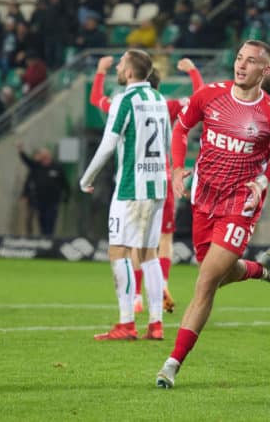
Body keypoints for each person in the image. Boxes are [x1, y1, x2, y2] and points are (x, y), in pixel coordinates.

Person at [155, 40, 270, 389]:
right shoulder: (209, 96)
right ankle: (263, 270)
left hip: (240, 205)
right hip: (204, 198)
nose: (241, 65)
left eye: (250, 62)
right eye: (238, 58)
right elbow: (181, 128)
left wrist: (264, 180)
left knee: (205, 282)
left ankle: (172, 364)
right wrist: (175, 169)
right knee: (215, 272)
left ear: (266, 70)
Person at [89, 54, 205, 315]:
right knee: (162, 240)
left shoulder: (125, 104)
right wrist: (193, 70)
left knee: (130, 244)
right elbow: (199, 97)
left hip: (135, 182)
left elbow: (96, 99)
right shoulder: (166, 104)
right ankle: (161, 285)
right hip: (163, 181)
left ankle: (137, 298)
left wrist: (99, 71)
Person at [80, 49, 171, 341]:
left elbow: (108, 145)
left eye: (120, 65)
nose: (118, 68)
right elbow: (167, 143)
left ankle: (126, 323)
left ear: (129, 72)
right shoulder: (159, 99)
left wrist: (87, 178)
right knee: (149, 255)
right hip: (157, 187)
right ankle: (155, 324)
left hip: (131, 188)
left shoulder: (123, 101)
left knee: (118, 250)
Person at [17, 144, 70, 237]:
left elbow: (64, 183)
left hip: (53, 201)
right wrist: (21, 151)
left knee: (51, 220)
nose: (44, 158)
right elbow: (27, 161)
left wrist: (67, 196)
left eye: (45, 155)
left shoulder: (57, 167)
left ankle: (49, 239)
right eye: (42, 156)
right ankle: (44, 238)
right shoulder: (37, 167)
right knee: (42, 221)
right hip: (40, 200)